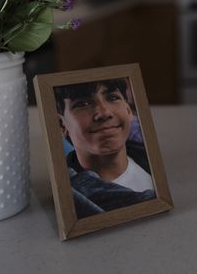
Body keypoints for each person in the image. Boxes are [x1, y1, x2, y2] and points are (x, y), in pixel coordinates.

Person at [54, 78, 155, 218]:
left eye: (113, 98)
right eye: (83, 104)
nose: (104, 112)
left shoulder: (150, 158)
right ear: (62, 124)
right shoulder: (70, 194)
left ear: (128, 110)